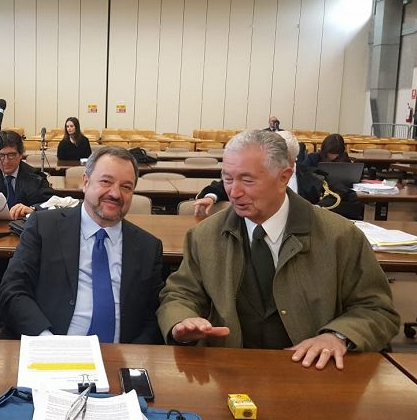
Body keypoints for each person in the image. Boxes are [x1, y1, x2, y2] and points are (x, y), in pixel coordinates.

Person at [158, 130, 399, 370]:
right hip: (228, 373)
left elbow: (377, 310)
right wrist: (181, 321)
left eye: (247, 180)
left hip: (312, 373)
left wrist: (337, 336)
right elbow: (180, 295)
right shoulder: (204, 236)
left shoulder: (340, 236)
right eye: (228, 179)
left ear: (284, 177)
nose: (234, 192)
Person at [0, 146, 164, 343]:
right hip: (50, 345)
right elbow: (13, 290)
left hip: (121, 353)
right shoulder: (44, 227)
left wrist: (131, 355)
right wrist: (46, 341)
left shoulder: (148, 247)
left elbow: (152, 318)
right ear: (86, 182)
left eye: (126, 187)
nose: (115, 194)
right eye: (106, 181)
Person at [194, 130, 323, 217]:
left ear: (292, 157)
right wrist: (210, 197)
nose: (234, 193)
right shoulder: (248, 173)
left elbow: (330, 201)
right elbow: (224, 186)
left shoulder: (312, 178)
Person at [0, 130, 55, 220]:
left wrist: (33, 209)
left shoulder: (35, 177)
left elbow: (54, 203)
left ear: (21, 155)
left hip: (24, 226)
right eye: (1, 155)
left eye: (11, 155)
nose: (6, 161)